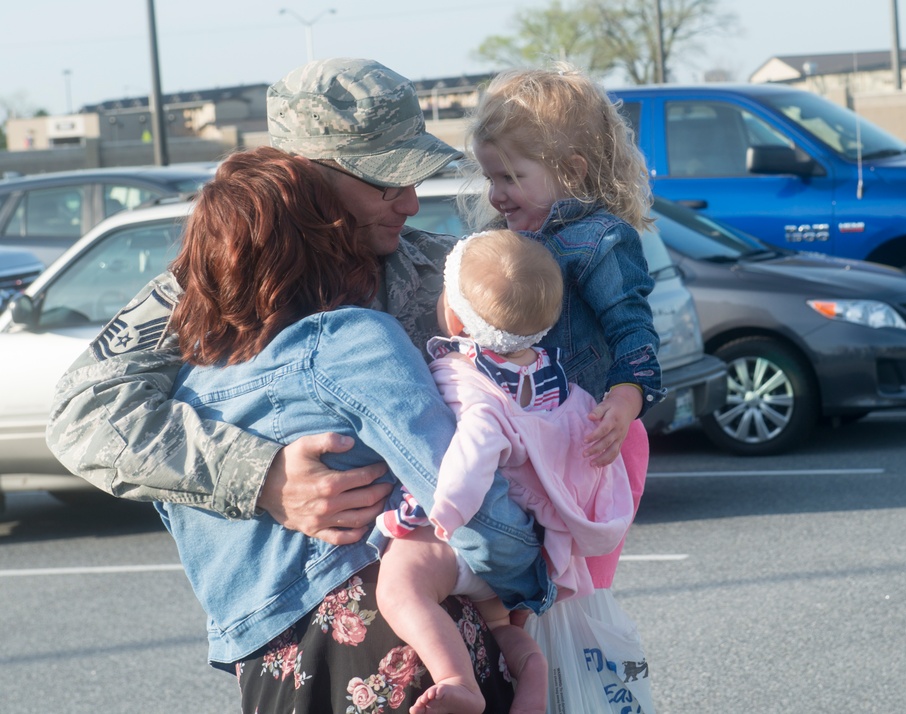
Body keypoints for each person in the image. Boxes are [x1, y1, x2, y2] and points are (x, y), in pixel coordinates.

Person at [45, 58, 557, 713]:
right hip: (313, 633)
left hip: (442, 615)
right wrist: (260, 475)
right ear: (303, 176)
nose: (408, 199)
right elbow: (84, 413)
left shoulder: (443, 271)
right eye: (383, 178)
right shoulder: (215, 282)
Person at [160, 145, 551, 713]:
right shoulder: (350, 339)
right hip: (391, 640)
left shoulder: (185, 392)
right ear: (322, 237)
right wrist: (532, 575)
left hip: (270, 667)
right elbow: (464, 496)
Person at [375, 229, 635, 714]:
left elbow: (471, 453)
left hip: (467, 536)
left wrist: (442, 511)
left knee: (400, 585)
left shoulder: (467, 380)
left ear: (453, 315)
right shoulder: (564, 387)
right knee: (503, 627)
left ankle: (458, 680)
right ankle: (531, 676)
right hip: (530, 547)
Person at [463, 63, 663, 471]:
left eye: (511, 177)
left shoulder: (599, 240)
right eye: (490, 178)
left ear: (571, 171)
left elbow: (632, 329)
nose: (496, 194)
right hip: (513, 427)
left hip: (575, 428)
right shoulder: (496, 240)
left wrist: (626, 396)